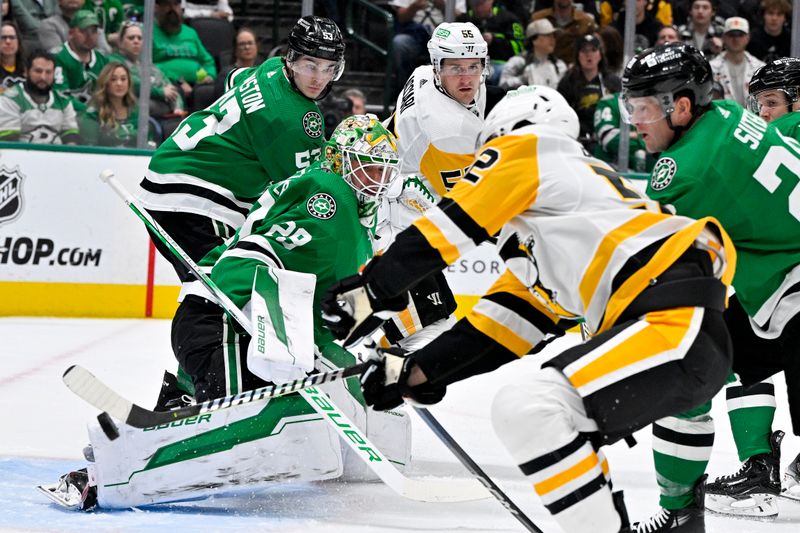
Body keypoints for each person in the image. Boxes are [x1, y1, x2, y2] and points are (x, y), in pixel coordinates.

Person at [320, 85, 735, 533]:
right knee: (543, 411)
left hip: (671, 324)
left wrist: (370, 290)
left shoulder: (532, 146)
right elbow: (500, 329)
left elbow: (451, 225)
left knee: (531, 408)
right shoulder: (564, 223)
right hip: (684, 338)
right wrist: (416, 371)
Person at [43, 115, 411, 512]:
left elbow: (321, 302)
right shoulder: (328, 194)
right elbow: (255, 258)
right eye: (369, 167)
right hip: (224, 321)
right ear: (340, 161)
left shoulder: (350, 212)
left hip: (225, 323)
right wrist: (282, 333)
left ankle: (148, 428)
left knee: (299, 407)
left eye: (384, 171)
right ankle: (106, 474)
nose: (377, 179)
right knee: (257, 424)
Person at [621, 41, 800, 526]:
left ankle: (681, 511)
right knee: (728, 359)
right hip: (783, 284)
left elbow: (651, 265)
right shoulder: (724, 115)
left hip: (792, 285)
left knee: (689, 371)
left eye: (641, 107)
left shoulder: (683, 170)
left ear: (681, 106)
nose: (634, 120)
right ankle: (756, 469)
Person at [140, 15, 345, 291]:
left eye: (329, 68)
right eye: (311, 65)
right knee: (223, 294)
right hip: (195, 201)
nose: (319, 78)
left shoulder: (272, 68)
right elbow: (308, 189)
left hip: (170, 174)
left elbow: (232, 79)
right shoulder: (294, 120)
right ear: (293, 59)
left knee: (221, 290)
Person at [387, 0, 467, 100]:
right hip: (415, 34)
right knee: (399, 43)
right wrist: (414, 7)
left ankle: (447, 96)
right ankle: (405, 93)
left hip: (446, 37)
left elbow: (461, 19)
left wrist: (442, 5)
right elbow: (401, 18)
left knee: (457, 49)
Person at [0, 49, 79, 144]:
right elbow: (9, 142)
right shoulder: (10, 99)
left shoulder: (63, 101)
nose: (43, 77)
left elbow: (71, 136)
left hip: (58, 156)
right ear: (26, 72)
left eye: (48, 72)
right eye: (38, 71)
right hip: (21, 156)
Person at [557, 34, 621, 149]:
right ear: (578, 56)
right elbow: (561, 113)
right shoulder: (567, 82)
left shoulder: (613, 82)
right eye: (584, 51)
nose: (589, 55)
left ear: (600, 55)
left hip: (606, 137)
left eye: (593, 50)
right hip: (576, 140)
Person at [109, 21, 182, 118]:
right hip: (129, 112)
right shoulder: (114, 61)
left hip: (156, 112)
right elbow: (133, 84)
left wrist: (177, 108)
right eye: (131, 38)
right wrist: (160, 92)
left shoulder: (148, 65)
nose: (136, 41)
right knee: (144, 106)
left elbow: (170, 89)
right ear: (121, 43)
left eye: (139, 38)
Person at [152, 0, 216, 95]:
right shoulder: (149, 32)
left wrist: (209, 75)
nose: (172, 9)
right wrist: (177, 80)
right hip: (166, 84)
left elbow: (207, 61)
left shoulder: (190, 32)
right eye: (167, 4)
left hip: (198, 85)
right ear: (156, 7)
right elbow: (146, 66)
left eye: (176, 4)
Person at [457, 0, 524, 85]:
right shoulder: (462, 21)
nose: (478, 7)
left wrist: (494, 40)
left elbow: (519, 48)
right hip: (470, 65)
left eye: (481, 3)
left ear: (491, 1)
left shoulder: (508, 19)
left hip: (501, 64)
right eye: (474, 3)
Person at [53, 9, 109, 111]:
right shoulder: (58, 57)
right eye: (83, 31)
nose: (89, 37)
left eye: (93, 31)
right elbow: (60, 96)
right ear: (71, 33)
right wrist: (88, 112)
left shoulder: (102, 60)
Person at [79, 61, 142, 147]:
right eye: (113, 79)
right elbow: (89, 146)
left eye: (123, 79)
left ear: (129, 83)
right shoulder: (93, 113)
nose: (119, 83)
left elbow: (146, 142)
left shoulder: (136, 110)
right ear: (105, 83)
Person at [593, 92, 654, 173]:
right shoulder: (609, 101)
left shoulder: (653, 102)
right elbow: (609, 138)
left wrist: (634, 136)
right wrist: (643, 140)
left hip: (648, 173)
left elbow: (660, 140)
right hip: (609, 171)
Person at [709, 17, 764, 106]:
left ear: (748, 37)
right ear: (724, 38)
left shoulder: (760, 68)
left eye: (740, 35)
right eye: (732, 35)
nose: (736, 39)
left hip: (751, 118)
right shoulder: (712, 68)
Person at [499, 18, 566, 91]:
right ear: (534, 40)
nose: (553, 39)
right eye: (547, 35)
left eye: (554, 36)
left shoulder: (559, 65)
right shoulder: (518, 62)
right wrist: (523, 79)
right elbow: (502, 85)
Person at [531, 0, 597, 66]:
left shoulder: (586, 21)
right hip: (542, 68)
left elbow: (593, 51)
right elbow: (529, 48)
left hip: (576, 70)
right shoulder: (538, 19)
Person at [39, 0, 111, 54]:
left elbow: (105, 51)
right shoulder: (49, 25)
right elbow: (56, 54)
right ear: (58, 1)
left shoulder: (92, 19)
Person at [213, 27, 260, 99]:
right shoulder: (227, 75)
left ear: (257, 47)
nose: (247, 47)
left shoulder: (261, 72)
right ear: (235, 48)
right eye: (242, 44)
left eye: (250, 43)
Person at [0, 21, 25, 95]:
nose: (8, 41)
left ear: (18, 42)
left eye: (12, 37)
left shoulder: (28, 69)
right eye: (3, 37)